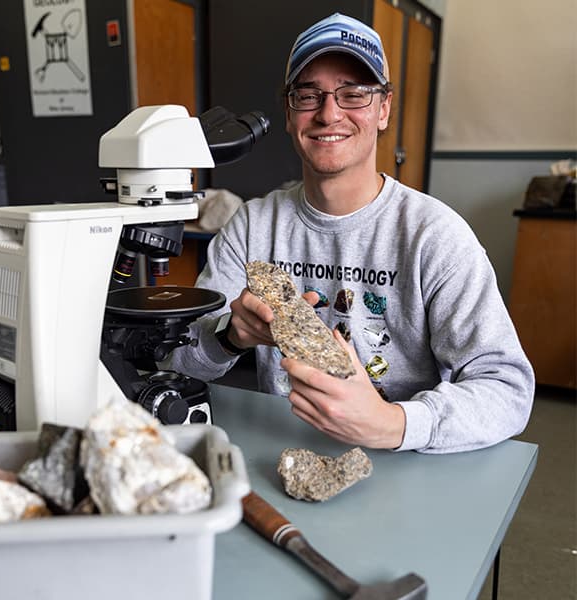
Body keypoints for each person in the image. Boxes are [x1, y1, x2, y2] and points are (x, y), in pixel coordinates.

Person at [165, 12, 534, 453]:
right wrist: (230, 335)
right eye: (308, 95)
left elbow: (508, 389)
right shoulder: (251, 227)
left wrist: (393, 423)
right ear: (288, 112)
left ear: (384, 109)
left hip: (405, 462)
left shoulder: (434, 236)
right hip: (281, 451)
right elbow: (179, 362)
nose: (328, 113)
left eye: (353, 94)